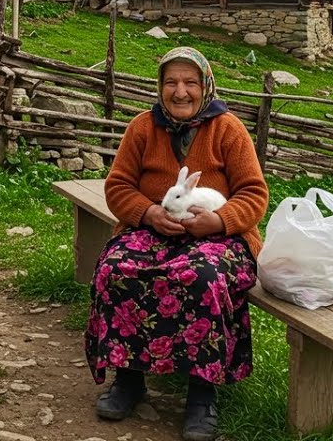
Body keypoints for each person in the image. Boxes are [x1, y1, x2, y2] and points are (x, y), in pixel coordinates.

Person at [85, 47, 269, 441]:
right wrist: (150, 213)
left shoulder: (228, 129)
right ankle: (129, 379)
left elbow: (254, 194)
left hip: (220, 238)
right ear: (160, 86)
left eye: (190, 82)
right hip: (153, 230)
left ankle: (202, 394)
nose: (180, 91)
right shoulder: (142, 127)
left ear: (205, 86)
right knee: (117, 268)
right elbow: (117, 186)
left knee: (201, 276)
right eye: (171, 82)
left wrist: (218, 221)